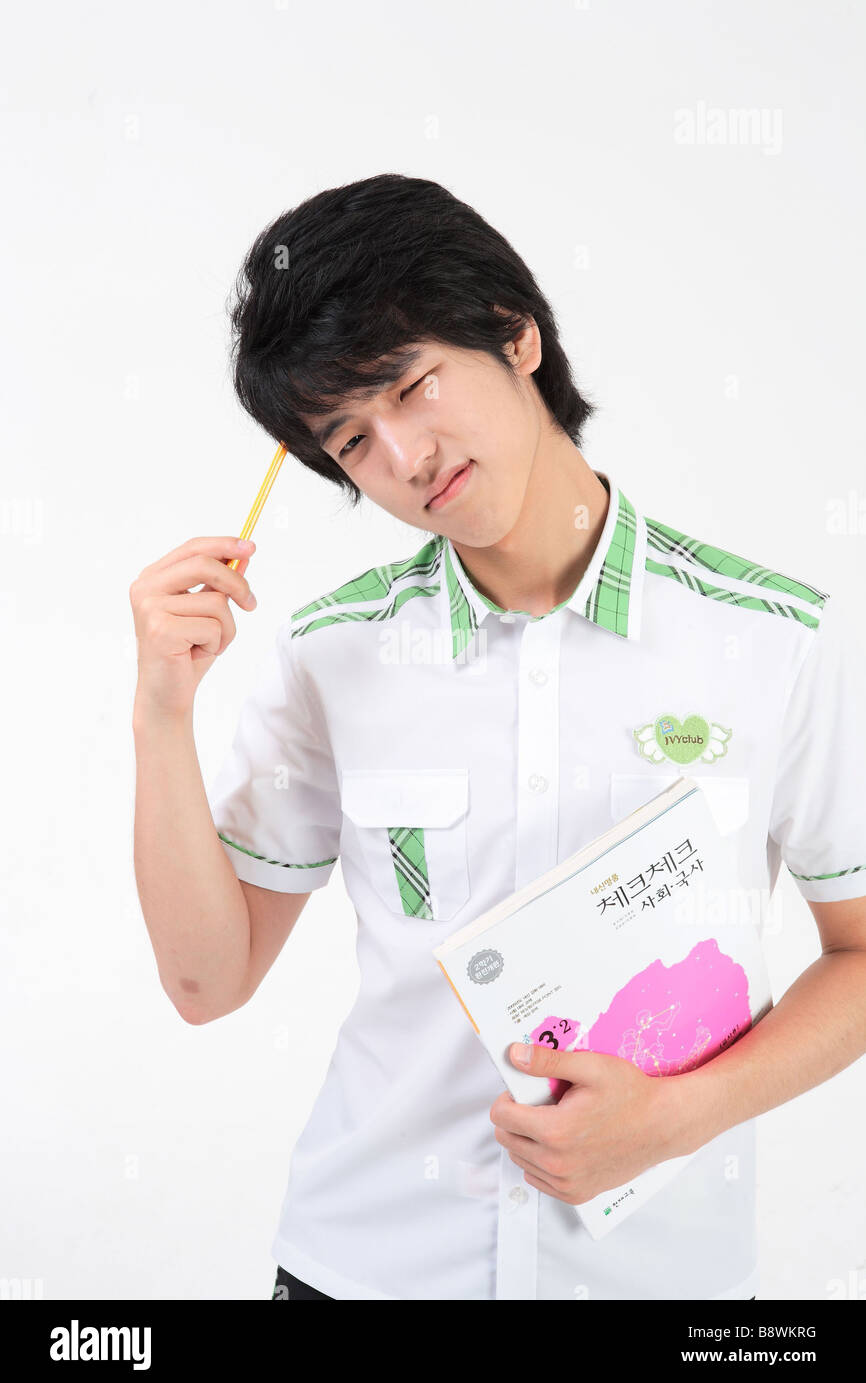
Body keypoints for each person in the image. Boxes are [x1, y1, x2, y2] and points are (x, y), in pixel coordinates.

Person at [131, 174, 866, 1301]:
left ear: (515, 335)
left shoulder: (773, 639)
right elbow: (205, 980)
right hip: (365, 1270)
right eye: (352, 440)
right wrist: (160, 713)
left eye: (411, 385)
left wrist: (679, 1117)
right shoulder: (334, 653)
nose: (404, 456)